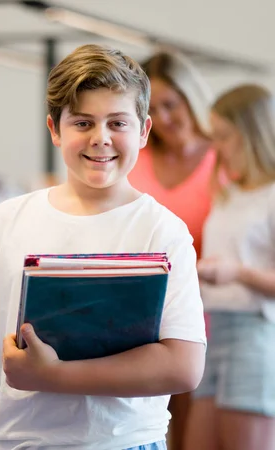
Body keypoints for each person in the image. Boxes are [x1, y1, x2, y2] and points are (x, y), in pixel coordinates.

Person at [0, 43, 206, 450]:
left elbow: (183, 366)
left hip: (126, 443)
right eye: (83, 123)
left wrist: (52, 375)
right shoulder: (6, 221)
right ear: (54, 129)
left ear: (143, 131)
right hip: (18, 442)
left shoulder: (164, 231)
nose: (100, 139)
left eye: (117, 123)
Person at [127, 51, 215, 450]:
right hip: (140, 307)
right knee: (145, 421)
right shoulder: (136, 158)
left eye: (171, 104)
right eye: (153, 108)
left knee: (194, 425)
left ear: (191, 98)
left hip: (206, 307)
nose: (162, 117)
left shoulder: (224, 158)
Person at [184, 84, 275, 450]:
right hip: (213, 331)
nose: (216, 148)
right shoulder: (229, 194)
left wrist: (237, 273)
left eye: (224, 136)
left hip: (255, 333)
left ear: (251, 134)